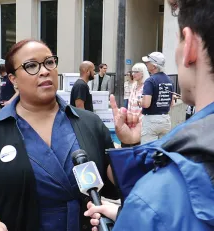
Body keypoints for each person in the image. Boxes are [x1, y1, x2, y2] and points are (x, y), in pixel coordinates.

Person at [0, 39, 119, 231]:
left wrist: (129, 143)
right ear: (13, 79)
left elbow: (116, 184)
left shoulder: (89, 123)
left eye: (49, 62)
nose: (44, 71)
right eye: (31, 66)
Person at [84, 0, 214, 230]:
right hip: (165, 120)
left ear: (190, 46)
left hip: (150, 121)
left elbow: (158, 208)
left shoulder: (157, 197)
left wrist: (135, 214)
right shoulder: (166, 81)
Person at [139, 52, 174, 144]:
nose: (146, 64)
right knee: (162, 150)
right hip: (165, 119)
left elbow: (146, 104)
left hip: (151, 120)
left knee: (148, 151)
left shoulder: (150, 81)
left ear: (154, 66)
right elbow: (172, 103)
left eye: (148, 62)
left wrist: (139, 102)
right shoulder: (169, 80)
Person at [121, 63, 149, 148]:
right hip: (131, 121)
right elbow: (130, 103)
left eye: (136, 72)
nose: (133, 74)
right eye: (133, 72)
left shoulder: (147, 87)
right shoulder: (134, 85)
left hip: (141, 122)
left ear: (143, 73)